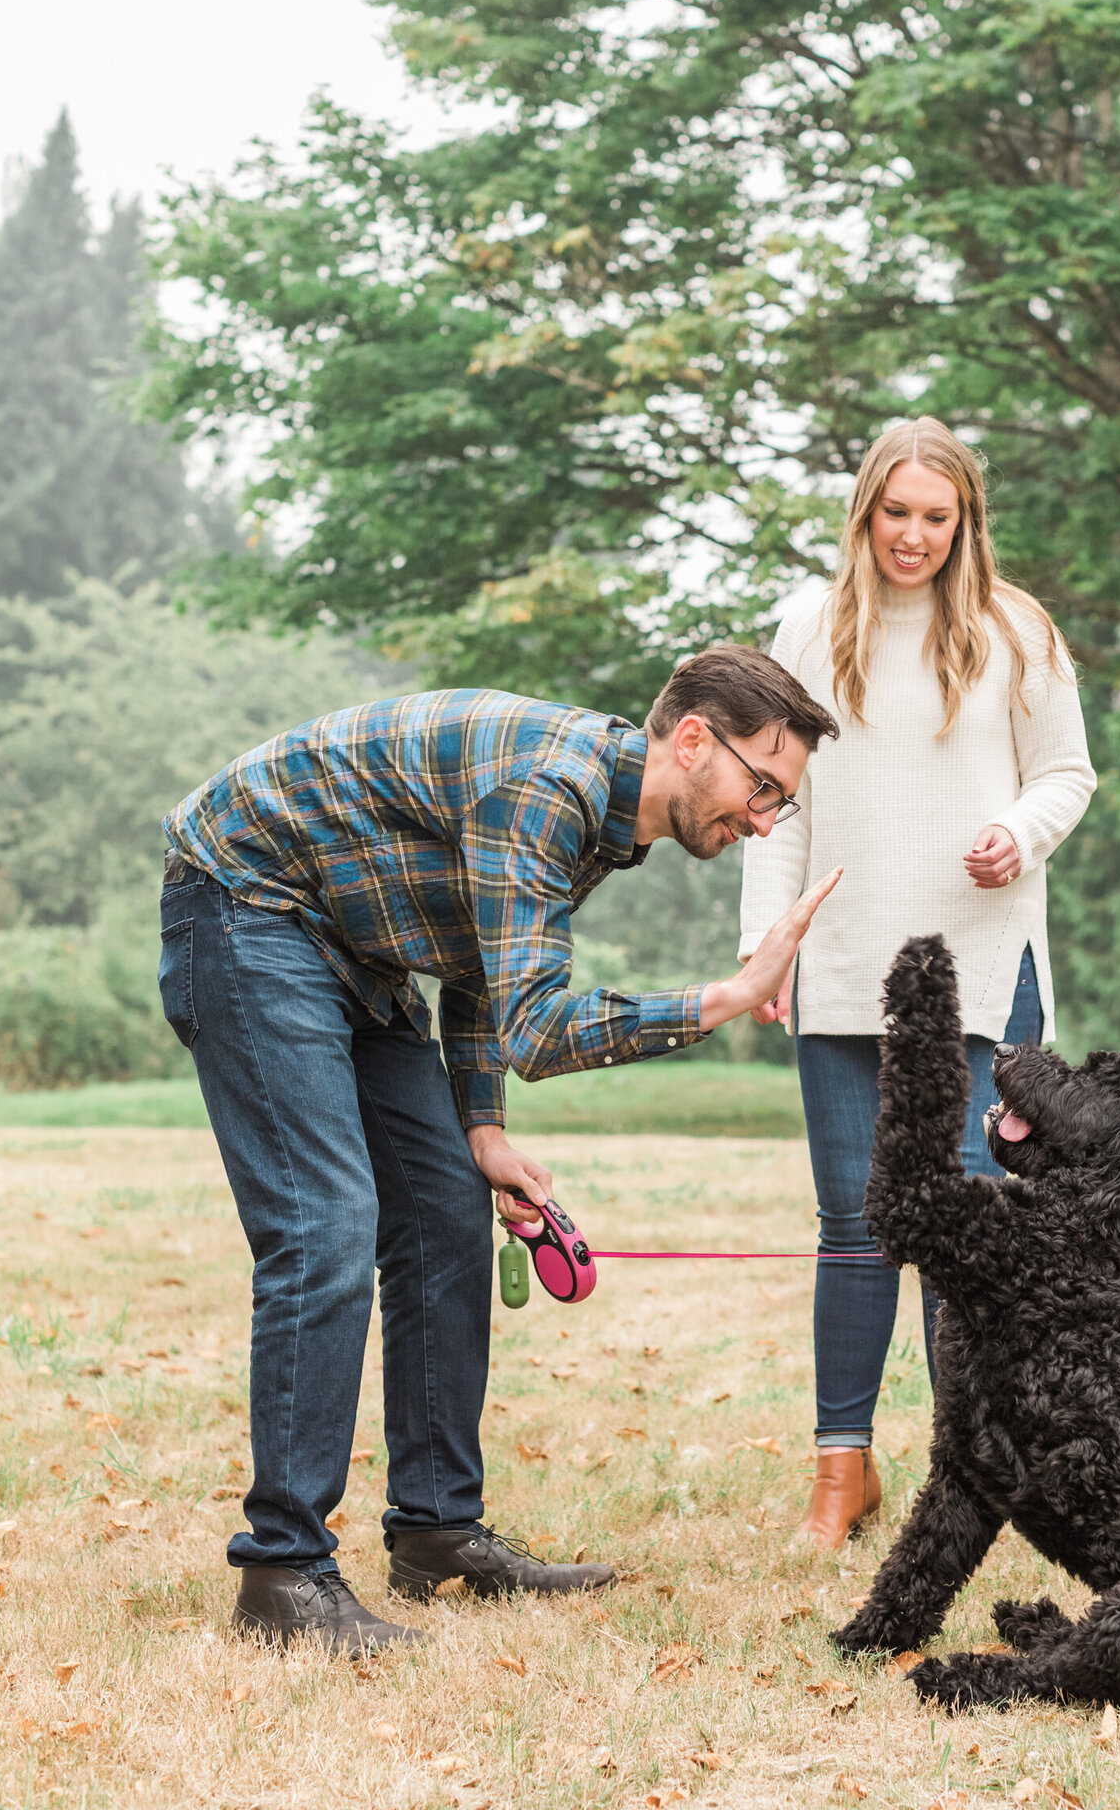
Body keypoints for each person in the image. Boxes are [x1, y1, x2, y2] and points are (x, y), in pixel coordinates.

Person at [160, 649, 840, 1652]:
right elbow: (541, 1026)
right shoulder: (547, 787)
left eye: (781, 801)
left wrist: (482, 1130)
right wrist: (725, 999)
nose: (766, 820)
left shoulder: (604, 827)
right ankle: (282, 1573)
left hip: (360, 952)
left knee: (445, 1210)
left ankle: (435, 1532)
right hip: (249, 908)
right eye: (764, 786)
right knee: (326, 1225)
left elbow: (484, 961)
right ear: (693, 740)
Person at [739, 419, 1096, 1549]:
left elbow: (1066, 774)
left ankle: (968, 1473)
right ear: (864, 513)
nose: (913, 536)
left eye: (935, 518)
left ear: (964, 522)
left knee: (967, 1224)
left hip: (980, 964)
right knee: (852, 1220)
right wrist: (768, 947)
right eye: (895, 513)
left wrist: (1014, 831)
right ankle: (840, 1472)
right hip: (845, 960)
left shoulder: (1015, 630)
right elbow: (767, 800)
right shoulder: (807, 624)